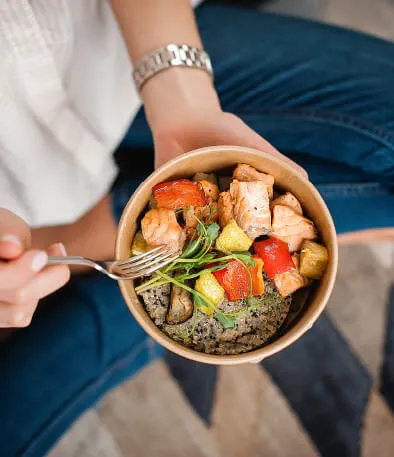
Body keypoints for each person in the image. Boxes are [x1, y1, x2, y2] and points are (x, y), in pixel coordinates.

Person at [0, 1, 393, 456]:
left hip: (120, 50)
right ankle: (105, 253)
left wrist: (184, 104)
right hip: (32, 185)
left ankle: (108, 249)